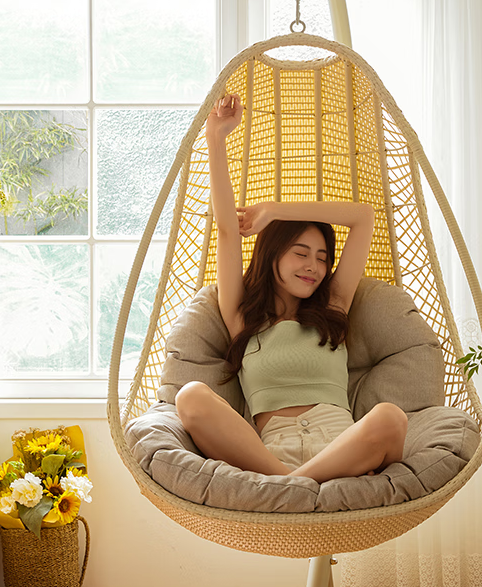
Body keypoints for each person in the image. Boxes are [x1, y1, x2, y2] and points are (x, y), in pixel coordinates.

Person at [174, 93, 408, 483]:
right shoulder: (242, 318)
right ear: (272, 255)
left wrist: (276, 210)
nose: (313, 266)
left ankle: (289, 488)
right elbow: (228, 231)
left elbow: (363, 217)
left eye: (322, 257)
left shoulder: (333, 307)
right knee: (190, 396)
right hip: (269, 457)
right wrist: (216, 136)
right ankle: (294, 484)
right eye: (301, 253)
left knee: (391, 417)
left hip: (341, 448)